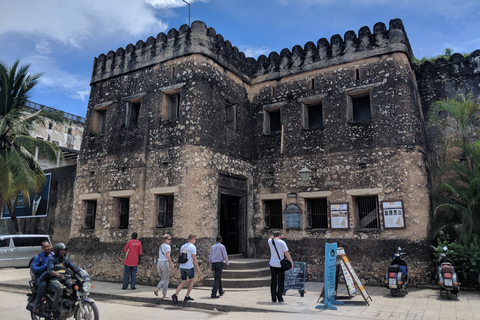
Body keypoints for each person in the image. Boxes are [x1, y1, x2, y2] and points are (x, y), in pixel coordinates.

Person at [47, 243, 81, 316]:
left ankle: (67, 302)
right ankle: (54, 309)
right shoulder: (51, 259)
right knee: (59, 287)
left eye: (64, 250)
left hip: (64, 278)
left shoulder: (65, 258)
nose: (63, 252)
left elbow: (73, 267)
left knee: (74, 286)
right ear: (56, 251)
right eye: (61, 250)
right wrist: (57, 274)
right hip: (53, 279)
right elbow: (50, 271)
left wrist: (81, 271)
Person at [171, 234, 200, 304]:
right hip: (189, 266)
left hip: (182, 266)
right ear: (192, 239)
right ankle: (187, 296)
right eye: (195, 239)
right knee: (192, 280)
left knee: (183, 281)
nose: (195, 240)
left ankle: (175, 294)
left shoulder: (183, 246)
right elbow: (194, 258)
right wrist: (197, 267)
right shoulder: (192, 247)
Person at [28, 240, 53, 313]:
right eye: (44, 247)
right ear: (42, 248)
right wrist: (45, 266)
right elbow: (34, 269)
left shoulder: (53, 255)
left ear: (50, 246)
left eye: (48, 246)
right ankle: (37, 304)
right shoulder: (39, 257)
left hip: (51, 277)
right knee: (43, 284)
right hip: (40, 278)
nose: (46, 248)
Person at [268, 231, 293, 303]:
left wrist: (275, 236)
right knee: (280, 280)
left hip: (272, 263)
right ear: (279, 235)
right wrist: (291, 261)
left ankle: (273, 297)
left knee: (273, 280)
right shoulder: (282, 243)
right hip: (280, 264)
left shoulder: (270, 241)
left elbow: (270, 237)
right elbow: (286, 253)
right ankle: (279, 296)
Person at [154, 234, 174, 299]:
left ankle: (160, 290)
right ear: (165, 239)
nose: (170, 240)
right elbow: (168, 256)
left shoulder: (161, 246)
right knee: (166, 279)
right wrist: (171, 263)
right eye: (169, 239)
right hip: (165, 263)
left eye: (170, 239)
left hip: (159, 263)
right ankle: (161, 292)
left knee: (163, 278)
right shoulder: (167, 246)